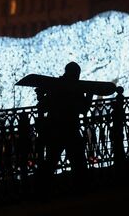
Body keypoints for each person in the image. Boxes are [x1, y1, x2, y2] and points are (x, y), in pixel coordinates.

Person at [35, 61, 93, 194]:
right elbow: (83, 109)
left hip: (55, 129)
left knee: (51, 161)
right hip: (70, 128)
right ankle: (80, 188)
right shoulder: (75, 87)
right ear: (75, 74)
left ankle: (43, 190)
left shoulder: (55, 85)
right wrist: (89, 95)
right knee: (78, 161)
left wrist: (42, 96)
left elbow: (43, 107)